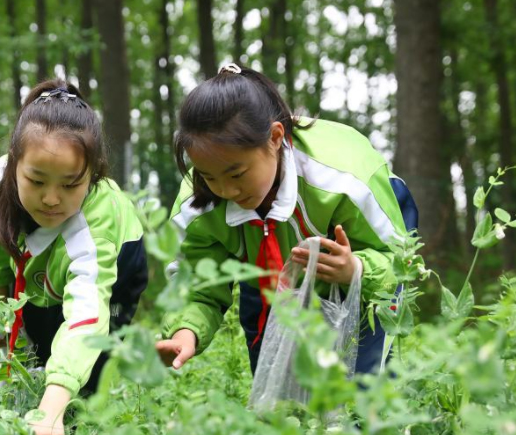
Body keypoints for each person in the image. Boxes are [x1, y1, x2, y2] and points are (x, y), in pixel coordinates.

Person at [155, 63, 418, 378]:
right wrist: (186, 331)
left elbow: (398, 259)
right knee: (277, 390)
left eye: (236, 173)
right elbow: (197, 288)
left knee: (361, 387)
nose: (226, 190)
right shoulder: (198, 205)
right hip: (266, 265)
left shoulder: (344, 179)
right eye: (208, 176)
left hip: (363, 251)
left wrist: (355, 270)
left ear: (275, 138)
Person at [0, 79, 148, 435]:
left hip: (118, 263)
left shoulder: (96, 222)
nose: (52, 199)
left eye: (71, 184)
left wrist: (52, 409)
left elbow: (87, 314)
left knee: (90, 367)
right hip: (39, 262)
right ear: (13, 164)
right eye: (36, 181)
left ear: (93, 174)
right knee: (37, 338)